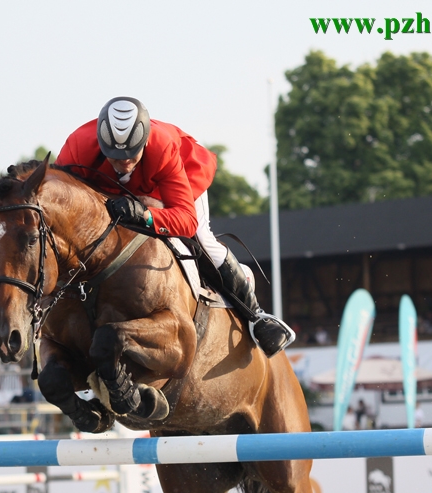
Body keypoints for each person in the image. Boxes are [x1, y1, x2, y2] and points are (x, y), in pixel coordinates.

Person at [55, 96, 295, 357]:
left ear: (144, 141)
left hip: (180, 168)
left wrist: (146, 216)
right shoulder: (76, 148)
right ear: (101, 143)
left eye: (130, 154)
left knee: (202, 238)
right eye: (114, 156)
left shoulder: (161, 147)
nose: (123, 162)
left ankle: (256, 315)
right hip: (114, 188)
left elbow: (185, 220)